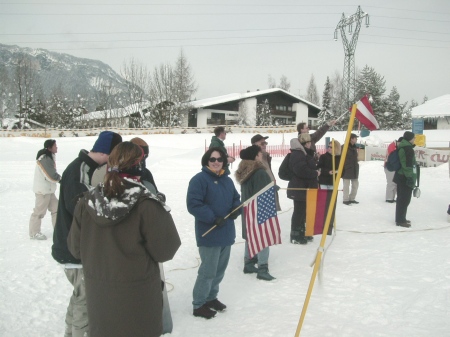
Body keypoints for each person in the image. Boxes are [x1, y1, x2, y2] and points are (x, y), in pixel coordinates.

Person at [67, 142, 181, 337]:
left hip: (99, 297)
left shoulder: (86, 202)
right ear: (138, 165)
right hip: (138, 298)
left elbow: (75, 248)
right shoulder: (146, 204)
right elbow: (166, 249)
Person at [51, 130, 122, 337]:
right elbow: (81, 209)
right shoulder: (81, 170)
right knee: (86, 299)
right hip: (74, 249)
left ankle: (70, 332)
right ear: (108, 152)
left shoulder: (88, 167)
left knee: (79, 296)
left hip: (76, 248)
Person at [186, 147, 240, 319]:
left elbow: (235, 198)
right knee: (208, 271)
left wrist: (236, 208)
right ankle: (199, 304)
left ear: (224, 161)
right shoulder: (199, 180)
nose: (216, 162)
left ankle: (211, 297)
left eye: (219, 159)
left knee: (219, 270)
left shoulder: (227, 180)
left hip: (226, 232)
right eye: (212, 159)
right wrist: (212, 217)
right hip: (209, 233)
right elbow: (193, 204)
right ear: (206, 161)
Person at [235, 145, 275, 281]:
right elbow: (263, 192)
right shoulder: (259, 172)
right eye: (260, 154)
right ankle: (263, 267)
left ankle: (249, 262)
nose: (261, 156)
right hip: (259, 209)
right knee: (263, 237)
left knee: (250, 235)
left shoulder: (245, 170)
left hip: (248, 208)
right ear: (256, 156)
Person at [287, 134, 320, 244]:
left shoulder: (305, 154)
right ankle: (295, 235)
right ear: (304, 144)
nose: (310, 144)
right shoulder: (298, 154)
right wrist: (315, 173)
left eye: (310, 142)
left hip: (305, 188)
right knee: (299, 212)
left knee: (303, 212)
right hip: (299, 188)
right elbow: (301, 170)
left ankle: (302, 232)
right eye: (308, 142)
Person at [29, 139, 61, 240]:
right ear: (49, 148)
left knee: (56, 209)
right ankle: (34, 233)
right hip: (43, 191)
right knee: (39, 212)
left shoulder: (49, 157)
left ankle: (58, 231)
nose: (57, 147)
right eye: (55, 145)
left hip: (49, 191)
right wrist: (61, 179)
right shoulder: (45, 158)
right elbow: (50, 175)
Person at [393, 131, 418, 228]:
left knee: (401, 199)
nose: (414, 139)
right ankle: (400, 220)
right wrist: (410, 177)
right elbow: (407, 165)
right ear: (409, 138)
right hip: (405, 177)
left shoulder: (403, 146)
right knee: (404, 200)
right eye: (413, 137)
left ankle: (401, 218)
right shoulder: (408, 149)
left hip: (400, 176)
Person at [130, 137, 166, 202]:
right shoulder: (121, 173)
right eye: (142, 156)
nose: (143, 160)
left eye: (145, 156)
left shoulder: (146, 173)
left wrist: (159, 197)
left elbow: (154, 191)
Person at [251, 134, 281, 211]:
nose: (264, 145)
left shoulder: (265, 157)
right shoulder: (253, 160)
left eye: (265, 143)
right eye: (262, 143)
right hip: (262, 198)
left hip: (270, 195)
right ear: (254, 145)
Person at [342, 133, 360, 205]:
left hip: (354, 169)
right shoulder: (344, 147)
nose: (356, 139)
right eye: (355, 138)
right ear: (351, 139)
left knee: (355, 184)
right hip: (347, 169)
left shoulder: (354, 147)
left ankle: (352, 198)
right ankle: (345, 199)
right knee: (346, 185)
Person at [384, 137, 402, 203]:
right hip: (390, 168)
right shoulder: (393, 148)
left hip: (390, 167)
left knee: (393, 183)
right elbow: (393, 159)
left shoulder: (394, 146)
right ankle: (389, 198)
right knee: (391, 183)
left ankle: (391, 197)